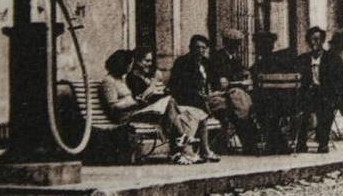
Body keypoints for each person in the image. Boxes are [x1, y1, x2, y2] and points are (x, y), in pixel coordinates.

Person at [100, 49, 198, 165]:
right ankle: (182, 143)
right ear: (122, 64)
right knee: (170, 108)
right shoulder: (109, 81)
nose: (131, 66)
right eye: (130, 63)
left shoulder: (121, 79)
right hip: (124, 116)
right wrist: (134, 101)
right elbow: (113, 106)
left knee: (170, 105)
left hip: (134, 111)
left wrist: (140, 100)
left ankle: (181, 146)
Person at [168, 34, 220, 162]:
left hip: (203, 100)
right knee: (199, 115)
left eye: (203, 48)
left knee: (220, 105)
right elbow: (177, 85)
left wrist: (213, 92)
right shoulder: (182, 62)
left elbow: (214, 81)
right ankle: (202, 150)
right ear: (190, 48)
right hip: (186, 99)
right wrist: (200, 96)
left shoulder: (206, 63)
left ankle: (205, 149)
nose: (200, 50)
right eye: (197, 47)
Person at [295, 26, 343, 153]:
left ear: (322, 41)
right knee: (301, 110)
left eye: (317, 39)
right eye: (311, 40)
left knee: (325, 109)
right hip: (308, 94)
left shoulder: (332, 59)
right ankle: (301, 143)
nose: (314, 43)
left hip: (326, 94)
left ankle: (323, 143)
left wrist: (333, 93)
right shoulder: (303, 59)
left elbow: (340, 79)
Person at [208, 28, 256, 153]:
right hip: (219, 92)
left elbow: (242, 73)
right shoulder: (217, 57)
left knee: (239, 104)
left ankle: (249, 142)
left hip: (232, 93)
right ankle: (249, 143)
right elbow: (219, 79)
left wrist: (243, 76)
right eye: (233, 43)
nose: (236, 46)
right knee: (238, 107)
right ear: (226, 42)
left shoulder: (236, 59)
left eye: (238, 43)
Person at [249, 31, 298, 155]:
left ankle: (273, 142)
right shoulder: (282, 62)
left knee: (259, 108)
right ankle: (279, 141)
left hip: (265, 107)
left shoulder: (258, 66)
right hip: (289, 105)